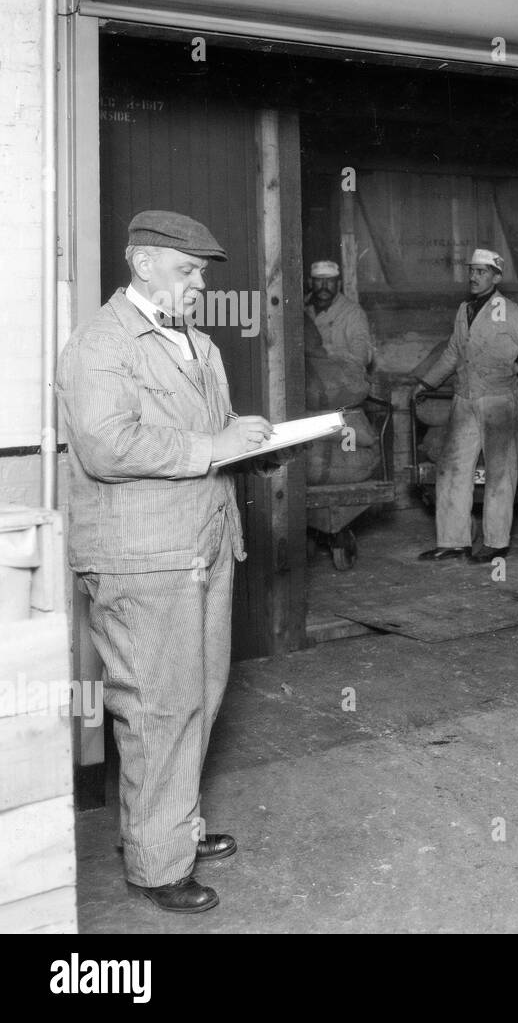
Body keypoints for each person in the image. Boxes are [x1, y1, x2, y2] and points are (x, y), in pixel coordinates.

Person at [56, 210, 282, 913]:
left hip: (202, 546)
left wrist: (249, 445)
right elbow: (106, 445)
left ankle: (173, 826)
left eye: (202, 273)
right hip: (141, 555)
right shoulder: (100, 344)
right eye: (187, 271)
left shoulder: (197, 345)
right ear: (142, 263)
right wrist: (215, 446)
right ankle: (157, 863)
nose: (198, 284)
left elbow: (207, 439)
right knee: (157, 707)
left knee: (198, 696)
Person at [408, 248, 518, 564]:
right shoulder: (464, 310)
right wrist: (426, 383)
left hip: (499, 400)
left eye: (482, 271)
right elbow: (452, 353)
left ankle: (496, 543)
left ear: (497, 276)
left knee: (500, 471)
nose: (475, 276)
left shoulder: (512, 313)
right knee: (451, 468)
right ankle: (453, 541)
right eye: (472, 270)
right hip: (464, 398)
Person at [307, 259, 374, 380]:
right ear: (310, 283)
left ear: (338, 284)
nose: (324, 286)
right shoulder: (299, 309)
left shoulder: (352, 312)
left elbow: (361, 356)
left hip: (341, 381)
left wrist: (326, 353)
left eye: (330, 281)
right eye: (319, 280)